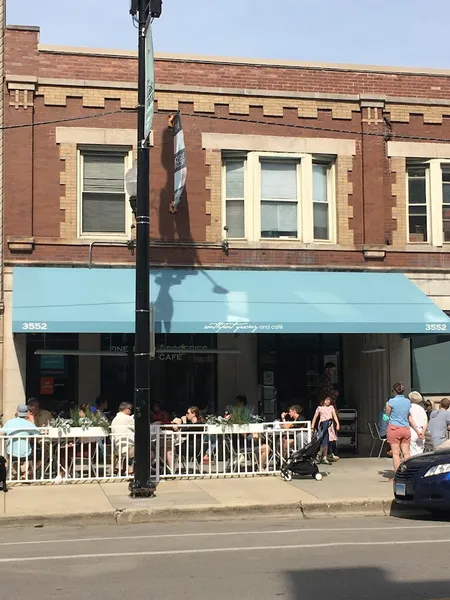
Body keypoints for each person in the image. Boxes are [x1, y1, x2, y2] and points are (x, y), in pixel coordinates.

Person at [385, 383, 423, 473]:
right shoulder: (407, 402)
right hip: (406, 429)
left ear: (394, 391)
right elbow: (409, 418)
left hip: (394, 428)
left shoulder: (391, 402)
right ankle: (408, 473)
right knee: (406, 453)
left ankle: (397, 475)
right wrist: (418, 431)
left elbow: (386, 416)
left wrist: (385, 418)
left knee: (396, 454)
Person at [1, 404, 41, 479]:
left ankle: (16, 475)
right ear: (27, 413)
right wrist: (32, 421)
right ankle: (27, 474)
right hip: (26, 453)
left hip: (11, 453)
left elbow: (1, 433)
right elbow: (37, 434)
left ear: (17, 412)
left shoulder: (10, 422)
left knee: (8, 448)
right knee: (39, 455)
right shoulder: (29, 424)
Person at [311, 397, 340, 465]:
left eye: (329, 400)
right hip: (323, 425)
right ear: (323, 400)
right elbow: (315, 417)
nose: (328, 401)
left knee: (327, 440)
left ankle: (324, 456)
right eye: (327, 400)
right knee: (324, 439)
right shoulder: (319, 408)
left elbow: (334, 416)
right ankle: (320, 454)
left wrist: (337, 424)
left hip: (329, 425)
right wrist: (312, 427)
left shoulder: (331, 407)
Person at [111, 402, 135, 475]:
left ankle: (125, 469)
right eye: (130, 409)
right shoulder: (127, 418)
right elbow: (139, 427)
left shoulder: (115, 419)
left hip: (118, 447)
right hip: (127, 448)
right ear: (126, 409)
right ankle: (131, 470)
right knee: (145, 450)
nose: (131, 411)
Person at [408, 391, 428, 456]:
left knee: (412, 453)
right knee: (420, 453)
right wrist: (422, 432)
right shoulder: (422, 409)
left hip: (413, 430)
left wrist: (416, 431)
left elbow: (410, 420)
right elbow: (426, 421)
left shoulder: (409, 407)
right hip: (421, 430)